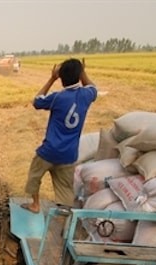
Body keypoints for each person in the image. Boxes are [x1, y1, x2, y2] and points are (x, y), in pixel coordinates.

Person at [21, 58, 97, 213]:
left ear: (61, 78)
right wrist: (82, 71)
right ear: (79, 75)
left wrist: (51, 79)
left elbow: (37, 101)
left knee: (34, 175)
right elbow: (92, 87)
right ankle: (65, 216)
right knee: (65, 187)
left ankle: (35, 204)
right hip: (69, 154)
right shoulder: (87, 95)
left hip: (49, 150)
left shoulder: (57, 97)